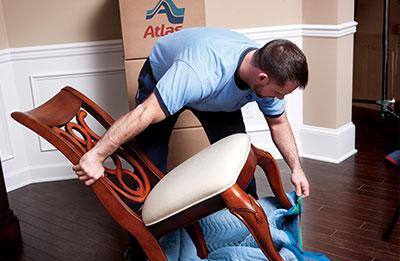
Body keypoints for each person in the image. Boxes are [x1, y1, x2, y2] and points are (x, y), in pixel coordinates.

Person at [72, 27, 310, 198]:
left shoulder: (265, 71)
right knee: (149, 167)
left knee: (240, 158)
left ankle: (248, 223)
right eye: (279, 93)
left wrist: (296, 169)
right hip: (168, 75)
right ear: (262, 77)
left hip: (217, 97)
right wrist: (96, 156)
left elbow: (278, 124)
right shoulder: (199, 73)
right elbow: (145, 113)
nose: (279, 99)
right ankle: (143, 247)